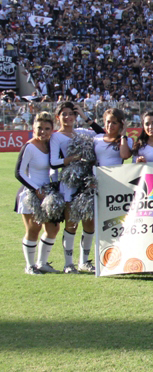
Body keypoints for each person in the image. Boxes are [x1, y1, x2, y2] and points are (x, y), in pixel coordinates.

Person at [49, 102, 104, 274]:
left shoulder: (82, 132)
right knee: (71, 223)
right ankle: (68, 264)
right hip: (69, 181)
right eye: (64, 114)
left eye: (71, 113)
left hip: (86, 180)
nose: (68, 117)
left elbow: (102, 134)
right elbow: (53, 162)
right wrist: (72, 159)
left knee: (89, 223)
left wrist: (85, 116)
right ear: (58, 117)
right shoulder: (56, 137)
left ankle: (84, 262)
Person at [15, 112, 59, 274]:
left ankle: (42, 263)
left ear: (52, 130)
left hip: (48, 194)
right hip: (31, 194)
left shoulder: (50, 146)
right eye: (39, 128)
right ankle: (30, 266)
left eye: (47, 128)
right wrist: (36, 190)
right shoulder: (29, 146)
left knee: (53, 228)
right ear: (33, 128)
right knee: (34, 229)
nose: (43, 132)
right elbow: (19, 172)